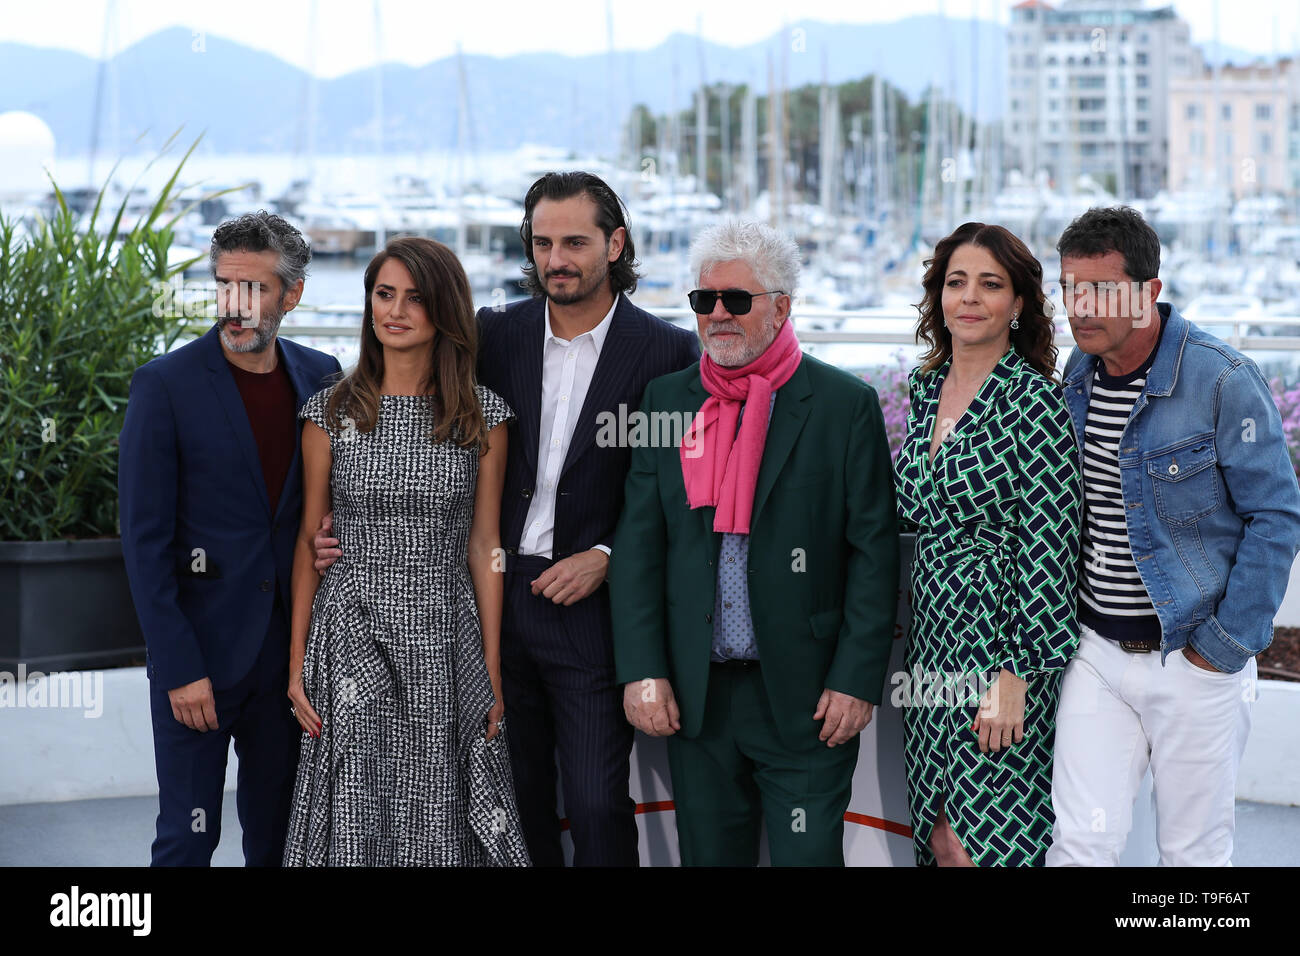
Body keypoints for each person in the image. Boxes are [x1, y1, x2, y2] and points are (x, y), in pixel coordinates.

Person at [312, 172, 698, 866]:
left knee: (596, 802)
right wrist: (353, 518)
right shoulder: (494, 334)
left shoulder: (668, 353)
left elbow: (676, 493)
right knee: (505, 803)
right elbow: (410, 406)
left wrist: (608, 555)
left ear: (615, 244)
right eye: (543, 242)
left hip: (589, 608)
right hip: (479, 600)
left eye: (575, 242)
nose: (557, 259)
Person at [608, 220, 899, 866]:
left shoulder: (842, 404)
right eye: (703, 301)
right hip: (697, 699)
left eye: (736, 300)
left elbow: (873, 554)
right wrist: (643, 670)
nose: (717, 315)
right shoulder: (667, 401)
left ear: (781, 307)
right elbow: (638, 549)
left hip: (806, 698)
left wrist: (856, 680)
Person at [1046, 206, 1300, 866]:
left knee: (1192, 856)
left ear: (1149, 291)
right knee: (1082, 842)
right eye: (1070, 288)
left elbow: (1276, 516)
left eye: (1101, 289)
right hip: (1096, 654)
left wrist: (1223, 646)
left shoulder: (1221, 380)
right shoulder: (1078, 375)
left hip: (1192, 655)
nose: (1081, 306)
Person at [282, 236, 529, 866]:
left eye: (415, 298)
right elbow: (311, 542)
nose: (394, 311)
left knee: (442, 808)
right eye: (383, 294)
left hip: (446, 635)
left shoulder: (482, 417)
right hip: (350, 633)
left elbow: (486, 547)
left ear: (444, 309)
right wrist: (296, 664)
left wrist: (492, 670)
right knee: (358, 804)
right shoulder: (330, 413)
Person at [118, 210, 342, 865]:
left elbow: (322, 508)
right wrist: (181, 668)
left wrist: (330, 540)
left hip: (289, 664)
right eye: (223, 286)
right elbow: (144, 543)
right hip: (200, 662)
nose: (234, 306)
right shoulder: (165, 385)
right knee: (188, 838)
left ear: (292, 294)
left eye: (254, 289)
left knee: (279, 840)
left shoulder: (322, 375)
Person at [893, 222, 1082, 867]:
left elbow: (1051, 547)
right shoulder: (923, 391)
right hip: (933, 642)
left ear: (1019, 303)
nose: (969, 298)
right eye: (956, 282)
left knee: (986, 845)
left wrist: (1017, 674)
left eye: (990, 284)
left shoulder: (1036, 402)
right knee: (940, 835)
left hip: (1001, 643)